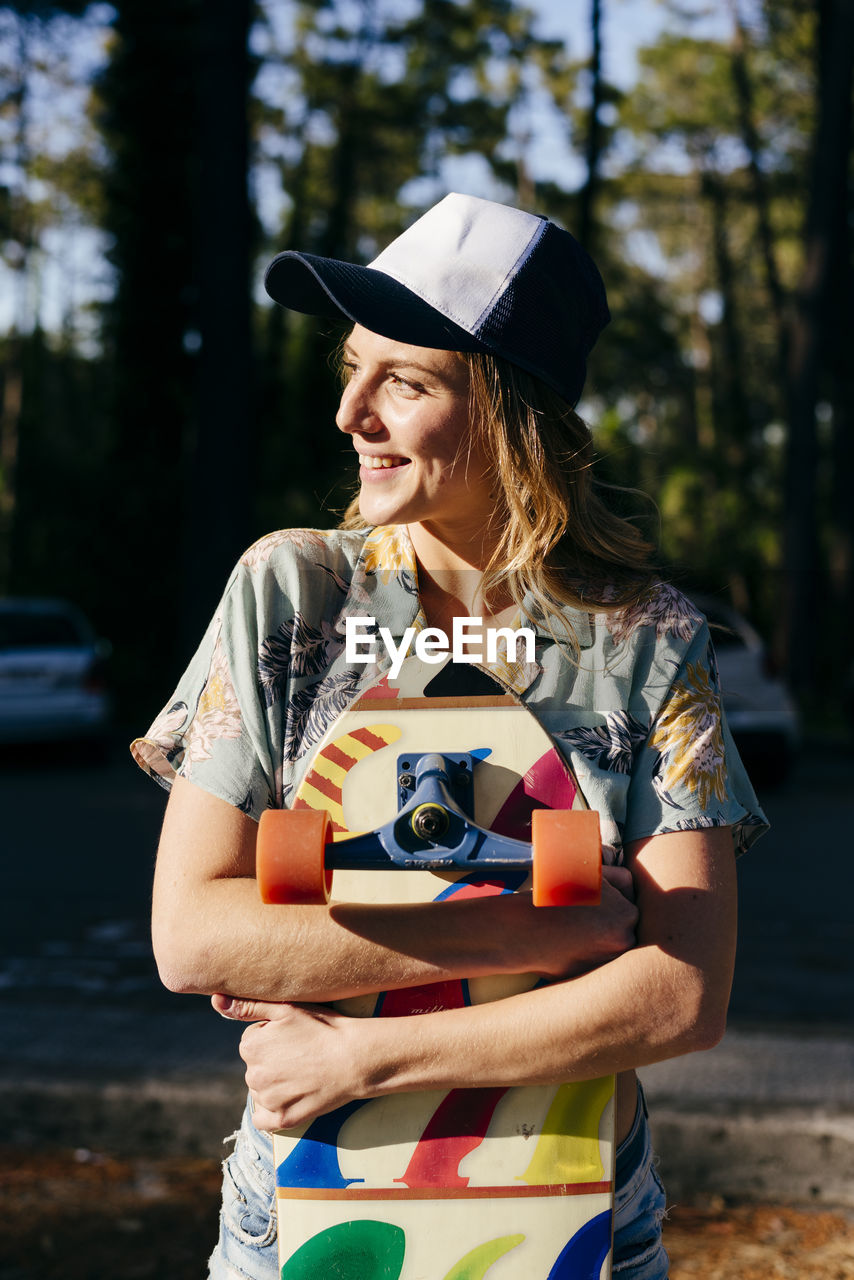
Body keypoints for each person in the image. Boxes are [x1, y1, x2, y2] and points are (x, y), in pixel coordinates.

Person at [132, 192, 767, 1280]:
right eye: (350, 365)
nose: (350, 413)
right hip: (308, 1200)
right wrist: (521, 934)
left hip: (569, 1210)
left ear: (513, 418)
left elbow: (678, 992)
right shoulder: (293, 592)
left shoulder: (643, 636)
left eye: (405, 380)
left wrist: (365, 1052)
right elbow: (193, 933)